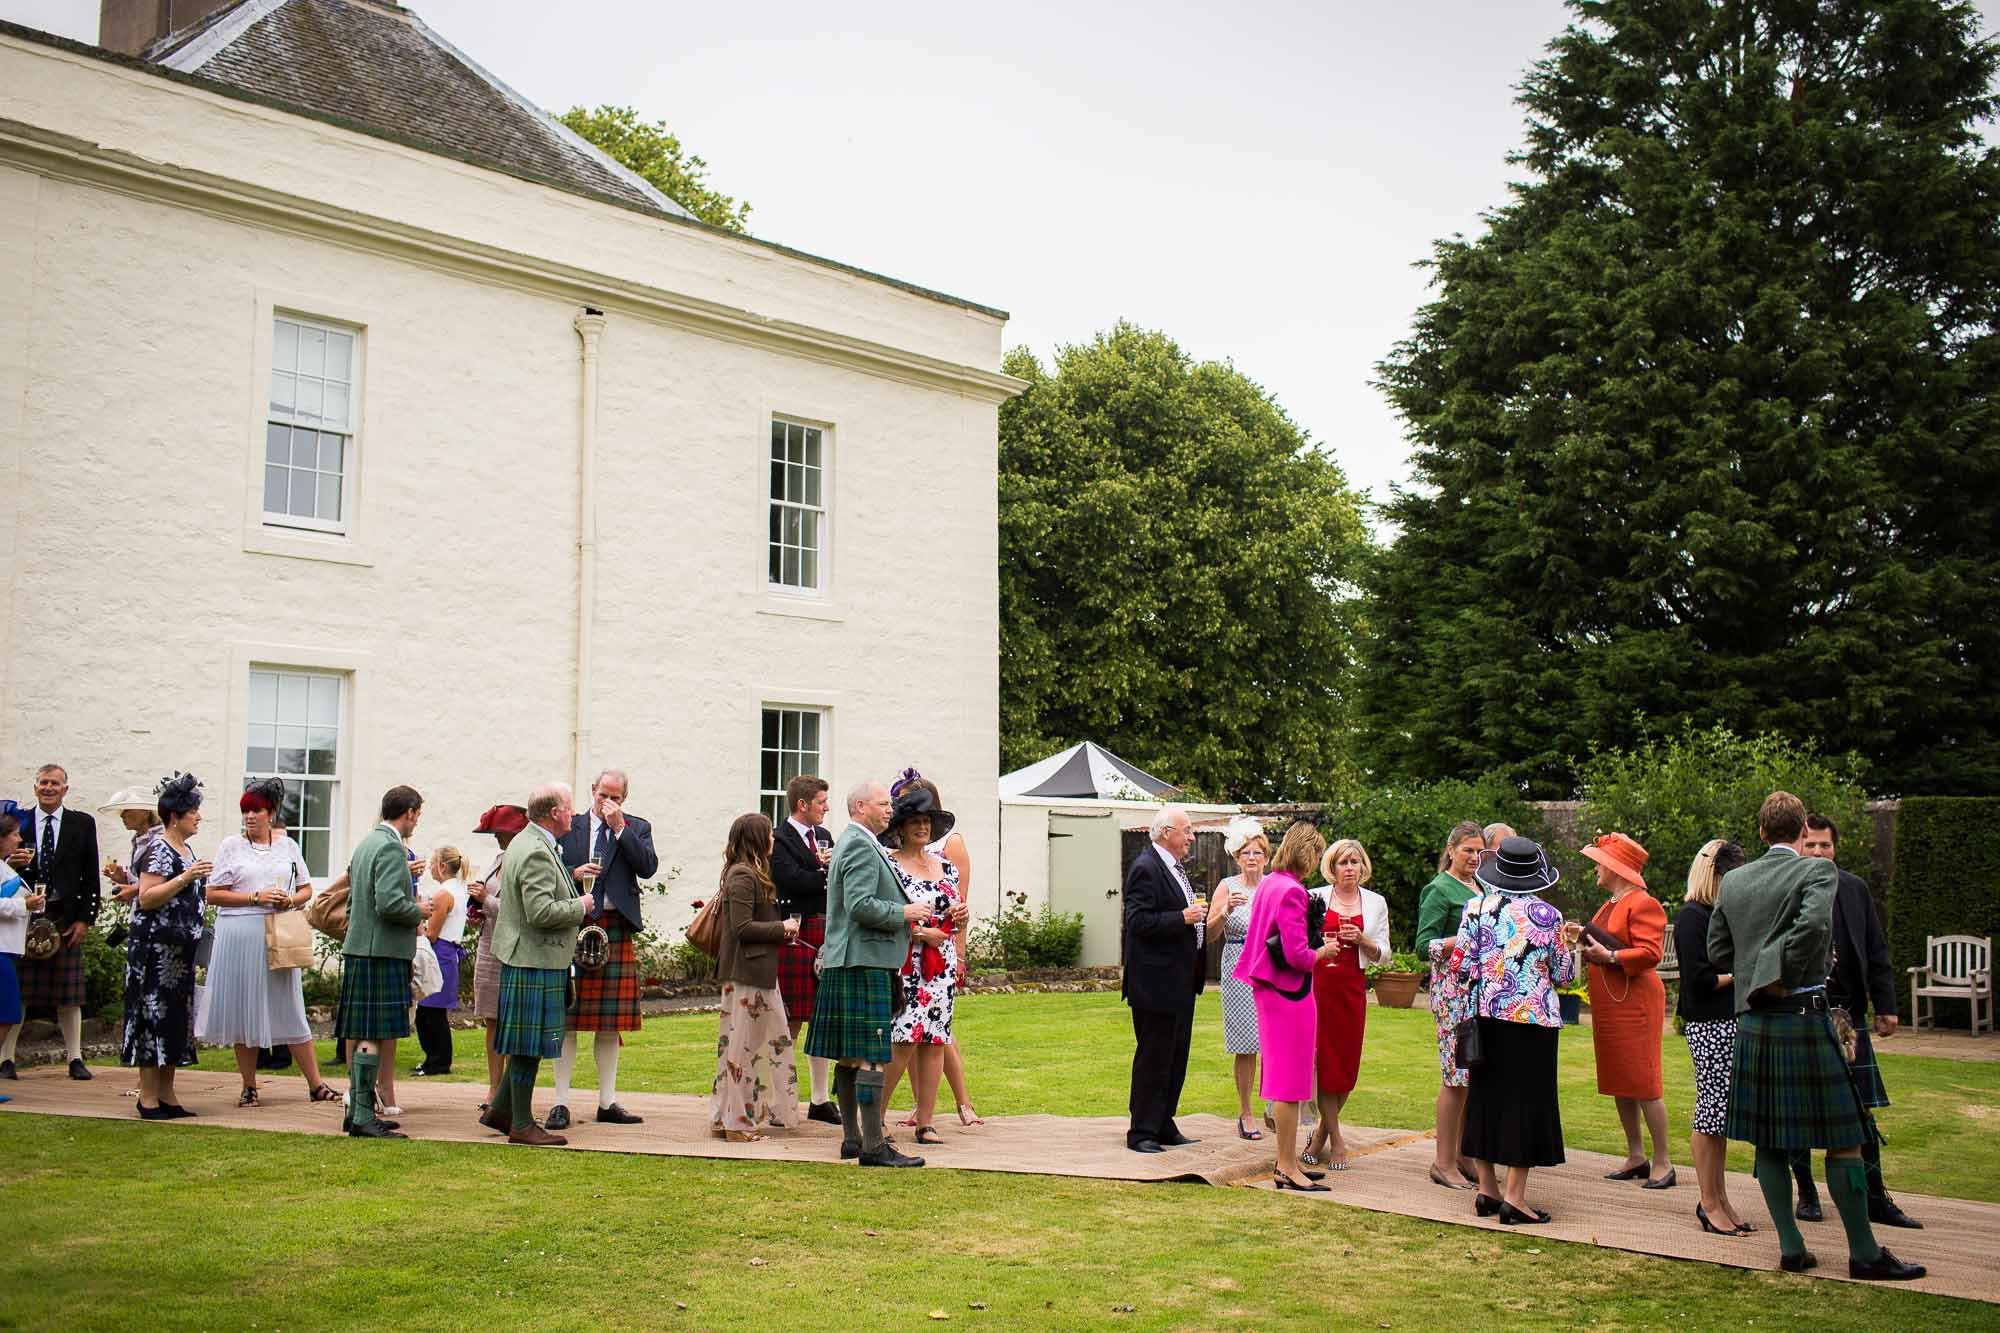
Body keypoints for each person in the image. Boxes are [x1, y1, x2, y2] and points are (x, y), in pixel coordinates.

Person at [1707, 791, 1923, 1281]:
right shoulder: (1816, 872)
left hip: (1757, 1023)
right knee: (1846, 1139)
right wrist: (1776, 973)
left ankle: (1792, 1247)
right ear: (1803, 829)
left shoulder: (1735, 880)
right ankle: (1864, 1254)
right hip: (1804, 1014)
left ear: (1761, 832)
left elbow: (1718, 949)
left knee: (1768, 1141)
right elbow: (1811, 929)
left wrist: (1753, 972)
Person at [1790, 813, 1921, 1230]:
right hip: (1802, 1012)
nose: (1816, 852)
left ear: (1835, 848)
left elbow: (1876, 949)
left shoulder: (1854, 888)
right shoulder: (1787, 887)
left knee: (1861, 1111)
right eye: (1809, 844)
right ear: (1798, 845)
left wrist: (1887, 1005)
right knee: (1797, 1109)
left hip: (1850, 1012)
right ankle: (1807, 1195)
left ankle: (1876, 1198)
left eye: (1824, 845)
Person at [1454, 836, 1578, 1225]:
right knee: (1527, 1104)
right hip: (1533, 1020)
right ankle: (1515, 1198)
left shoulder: (1474, 908)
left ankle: (1486, 1189)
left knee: (1485, 1100)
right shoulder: (1550, 917)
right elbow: (1563, 974)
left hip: (1486, 1015)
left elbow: (1461, 964)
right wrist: (1570, 949)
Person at [198, 778, 341, 1106]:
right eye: (246, 811)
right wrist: (254, 896)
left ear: (271, 813)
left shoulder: (287, 847)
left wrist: (289, 900)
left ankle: (316, 1084)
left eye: (256, 810)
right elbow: (211, 894)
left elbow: (306, 888)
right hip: (239, 934)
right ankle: (249, 1085)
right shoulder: (230, 847)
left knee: (289, 1005)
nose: (250, 816)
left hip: (277, 933)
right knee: (243, 1008)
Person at [805, 779, 925, 1167]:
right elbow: (859, 905)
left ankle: (852, 1140)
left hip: (852, 959)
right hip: (863, 960)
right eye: (882, 803)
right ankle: (874, 1147)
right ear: (859, 807)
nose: (890, 809)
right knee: (871, 1055)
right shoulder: (858, 843)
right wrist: (903, 913)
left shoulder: (856, 842)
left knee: (850, 1058)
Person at [549, 769, 658, 1131]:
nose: (607, 801)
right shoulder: (570, 827)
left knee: (609, 1024)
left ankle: (607, 1101)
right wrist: (573, 873)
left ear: (624, 799)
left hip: (614, 926)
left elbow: (647, 867)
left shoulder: (637, 828)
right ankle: (560, 1102)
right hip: (574, 923)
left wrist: (621, 828)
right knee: (567, 1020)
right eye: (603, 795)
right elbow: (549, 870)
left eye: (615, 797)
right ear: (592, 790)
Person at [1234, 822, 1337, 1191]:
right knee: (1289, 1082)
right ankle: (1286, 1166)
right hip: (1288, 992)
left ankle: (1288, 1162)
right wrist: (1322, 951)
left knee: (1283, 1078)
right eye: (1317, 854)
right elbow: (1296, 955)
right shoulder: (1292, 890)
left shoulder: (1269, 883)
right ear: (1306, 853)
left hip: (1269, 989)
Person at [491, 783, 596, 1146]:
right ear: (554, 813)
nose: (573, 813)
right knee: (528, 1044)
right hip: (534, 957)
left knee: (525, 1041)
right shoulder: (535, 850)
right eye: (569, 808)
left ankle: (502, 1110)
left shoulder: (528, 842)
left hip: (530, 955)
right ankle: (521, 1124)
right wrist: (580, 906)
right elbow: (539, 912)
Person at [887, 770, 981, 1128]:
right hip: (908, 961)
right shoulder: (891, 863)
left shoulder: (947, 861)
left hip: (940, 962)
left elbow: (958, 910)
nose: (921, 825)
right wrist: (919, 932)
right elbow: (884, 911)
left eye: (926, 819)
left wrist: (960, 934)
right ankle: (876, 1117)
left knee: (937, 1037)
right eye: (913, 819)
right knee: (905, 1038)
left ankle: (933, 1118)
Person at [1580, 831, 1674, 1189]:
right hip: (1612, 1002)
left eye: (1598, 865)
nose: (1595, 871)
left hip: (1636, 1002)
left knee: (1644, 1081)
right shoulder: (1611, 902)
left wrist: (1612, 956)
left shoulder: (1641, 902)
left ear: (1614, 867)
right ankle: (1636, 1154)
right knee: (1621, 1079)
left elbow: (1650, 953)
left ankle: (1663, 1160)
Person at [335, 785, 426, 1139]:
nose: (416, 823)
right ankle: (360, 1115)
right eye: (417, 815)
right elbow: (389, 904)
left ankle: (358, 1110)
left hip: (363, 948)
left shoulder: (366, 844)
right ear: (409, 813)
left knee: (364, 1033)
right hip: (380, 952)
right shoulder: (390, 847)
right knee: (371, 1034)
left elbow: (355, 904)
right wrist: (420, 910)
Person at [0, 764, 101, 1080]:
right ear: (35, 788)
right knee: (18, 993)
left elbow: (91, 876)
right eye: (43, 782)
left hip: (65, 918)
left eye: (54, 783)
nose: (48, 787)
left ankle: (75, 1058)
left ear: (65, 789)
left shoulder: (82, 823)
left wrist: (85, 919)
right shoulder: (19, 824)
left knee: (69, 996)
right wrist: (7, 861)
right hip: (24, 918)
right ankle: (6, 1060)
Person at [122, 773, 210, 1119]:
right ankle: (147, 1097)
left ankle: (168, 1094)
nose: (198, 817)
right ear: (176, 816)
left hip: (179, 953)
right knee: (152, 1017)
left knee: (175, 1019)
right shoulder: (157, 849)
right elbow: (147, 897)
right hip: (154, 952)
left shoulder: (186, 849)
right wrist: (186, 877)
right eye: (194, 812)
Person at [1678, 838, 1753, 1236]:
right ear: (1714, 874)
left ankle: (1720, 1198)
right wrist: (1742, 976)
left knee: (1720, 1117)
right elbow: (1700, 980)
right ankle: (1708, 1203)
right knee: (1710, 1113)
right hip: (1708, 1024)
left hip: (1727, 1022)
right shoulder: (1693, 916)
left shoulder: (1718, 915)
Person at [1122, 804, 1206, 1155]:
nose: (1191, 837)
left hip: (1181, 981)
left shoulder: (1173, 868)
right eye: (1186, 830)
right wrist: (1182, 917)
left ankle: (1163, 1121)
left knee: (1175, 1056)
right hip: (1155, 984)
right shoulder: (1146, 867)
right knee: (1154, 1057)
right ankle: (1141, 1130)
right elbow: (1138, 922)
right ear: (1166, 832)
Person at [711, 812, 801, 1140]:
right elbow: (742, 927)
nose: (774, 840)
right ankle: (735, 1123)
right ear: (756, 839)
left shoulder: (752, 873)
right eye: (769, 835)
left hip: (759, 972)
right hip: (746, 973)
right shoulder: (742, 876)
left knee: (759, 1046)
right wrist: (783, 927)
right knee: (741, 1049)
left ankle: (735, 1117)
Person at [1304, 838, 1390, 1170]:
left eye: (1355, 862)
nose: (1350, 868)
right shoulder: (1316, 897)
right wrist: (1320, 944)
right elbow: (1303, 943)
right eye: (1343, 862)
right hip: (1320, 987)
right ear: (1332, 867)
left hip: (1352, 989)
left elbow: (1385, 954)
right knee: (1325, 1065)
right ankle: (1337, 1140)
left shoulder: (1375, 903)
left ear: (1362, 867)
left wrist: (1363, 941)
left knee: (1346, 1069)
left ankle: (1321, 1133)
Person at [1415, 820, 1485, 1189]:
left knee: (1473, 1077)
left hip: (1480, 993)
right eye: (1467, 850)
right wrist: (1459, 938)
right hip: (1452, 996)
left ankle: (1463, 1154)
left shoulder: (1483, 887)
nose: (1474, 857)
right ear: (1451, 849)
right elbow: (1421, 945)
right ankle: (1442, 1162)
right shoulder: (1438, 889)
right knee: (1455, 1077)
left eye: (1479, 851)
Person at [770, 773, 839, 1125]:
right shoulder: (778, 840)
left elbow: (822, 879)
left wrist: (824, 873)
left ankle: (820, 1099)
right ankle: (781, 1099)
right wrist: (825, 871)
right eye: (821, 802)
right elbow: (790, 880)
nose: (826, 808)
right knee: (791, 1019)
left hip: (824, 929)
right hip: (795, 932)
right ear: (802, 804)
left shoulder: (825, 836)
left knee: (822, 1018)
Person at [1210, 816, 1270, 1140]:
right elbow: (1208, 935)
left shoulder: (1274, 886)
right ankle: (1245, 1111)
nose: (1251, 858)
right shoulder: (1227, 887)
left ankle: (1275, 1106)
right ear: (1237, 857)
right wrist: (1225, 912)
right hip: (1238, 968)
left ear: (1266, 856)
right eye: (1245, 852)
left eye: (1257, 852)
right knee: (1247, 1044)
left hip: (1271, 968)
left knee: (1274, 1042)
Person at [467, 803, 527, 1129]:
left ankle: (510, 1094)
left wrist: (485, 902)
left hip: (514, 950)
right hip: (490, 947)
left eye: (501, 833)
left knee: (511, 1022)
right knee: (492, 1019)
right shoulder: (497, 861)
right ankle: (493, 1088)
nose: (497, 839)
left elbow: (519, 910)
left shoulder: (524, 862)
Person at [412, 846, 470, 1077]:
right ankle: (433, 1059)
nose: (429, 867)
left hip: (440, 952)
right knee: (430, 1012)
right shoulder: (458, 889)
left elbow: (432, 933)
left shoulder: (443, 894)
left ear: (443, 866)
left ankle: (438, 1061)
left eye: (433, 862)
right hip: (448, 951)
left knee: (431, 1012)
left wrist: (416, 920)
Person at [0, 813, 41, 1102]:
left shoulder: (4, 867)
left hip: (9, 948)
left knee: (7, 1014)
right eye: (14, 834)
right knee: (7, 1013)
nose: (19, 839)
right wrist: (23, 904)